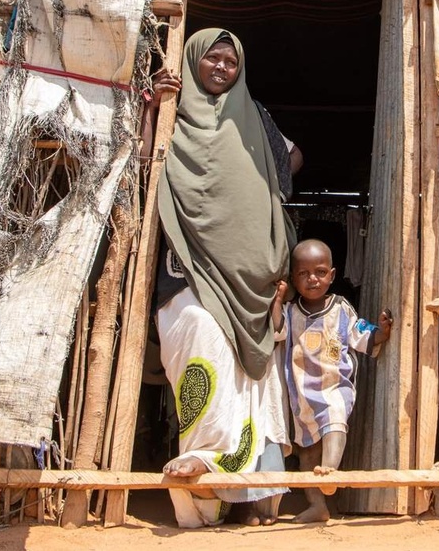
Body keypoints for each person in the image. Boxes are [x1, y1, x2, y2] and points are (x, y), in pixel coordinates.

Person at [146, 27, 301, 528]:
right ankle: (206, 481)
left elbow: (292, 156)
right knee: (205, 344)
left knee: (256, 385)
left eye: (230, 63)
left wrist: (265, 191)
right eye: (211, 59)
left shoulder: (254, 117)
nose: (220, 68)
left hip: (252, 284)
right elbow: (139, 156)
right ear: (193, 61)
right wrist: (153, 102)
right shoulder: (170, 111)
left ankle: (252, 498)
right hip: (189, 271)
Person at [272, 238, 394, 523]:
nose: (312, 279)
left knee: (335, 418)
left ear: (332, 275)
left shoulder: (341, 309)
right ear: (293, 279)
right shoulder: (291, 311)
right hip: (302, 395)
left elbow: (361, 334)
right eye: (303, 274)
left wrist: (382, 332)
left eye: (320, 272)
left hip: (333, 387)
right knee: (306, 454)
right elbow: (277, 332)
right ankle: (317, 505)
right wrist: (278, 301)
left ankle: (330, 471)